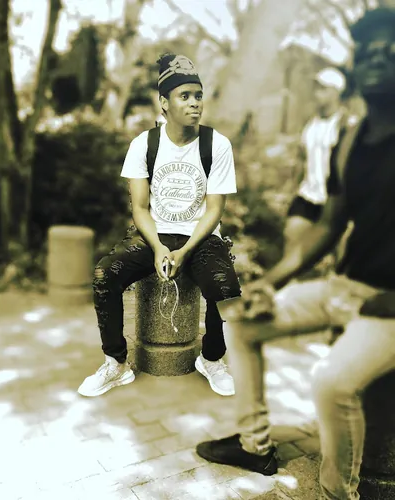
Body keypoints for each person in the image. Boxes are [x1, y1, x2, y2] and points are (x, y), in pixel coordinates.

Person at [194, 7, 395, 500]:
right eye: (368, 51)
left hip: (389, 306)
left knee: (331, 383)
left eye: (390, 50)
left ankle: (337, 493)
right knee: (240, 321)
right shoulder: (351, 139)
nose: (377, 59)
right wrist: (272, 281)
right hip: (346, 287)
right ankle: (255, 444)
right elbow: (329, 224)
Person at [78, 53, 241, 398]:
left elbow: (214, 210)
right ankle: (116, 363)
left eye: (198, 96)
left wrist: (185, 251)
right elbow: (139, 208)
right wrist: (158, 247)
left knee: (224, 285)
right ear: (164, 103)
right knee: (105, 274)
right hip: (155, 232)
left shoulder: (217, 144)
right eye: (185, 96)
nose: (195, 103)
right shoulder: (144, 144)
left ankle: (211, 359)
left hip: (201, 235)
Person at [284, 67, 350, 252]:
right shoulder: (310, 122)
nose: (316, 93)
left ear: (335, 92)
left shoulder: (345, 124)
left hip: (333, 201)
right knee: (291, 237)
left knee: (339, 253)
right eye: (316, 88)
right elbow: (302, 159)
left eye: (323, 88)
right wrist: (293, 187)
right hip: (308, 196)